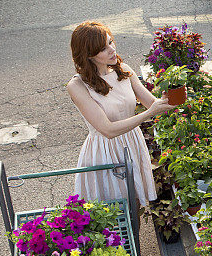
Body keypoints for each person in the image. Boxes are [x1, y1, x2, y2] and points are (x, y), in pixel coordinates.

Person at [67, 21, 173, 206]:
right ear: (88, 55)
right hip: (105, 149)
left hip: (132, 142)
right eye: (103, 48)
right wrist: (149, 113)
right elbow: (107, 130)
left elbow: (152, 103)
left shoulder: (124, 70)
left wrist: (170, 94)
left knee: (135, 204)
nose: (112, 49)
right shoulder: (77, 86)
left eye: (111, 42)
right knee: (113, 208)